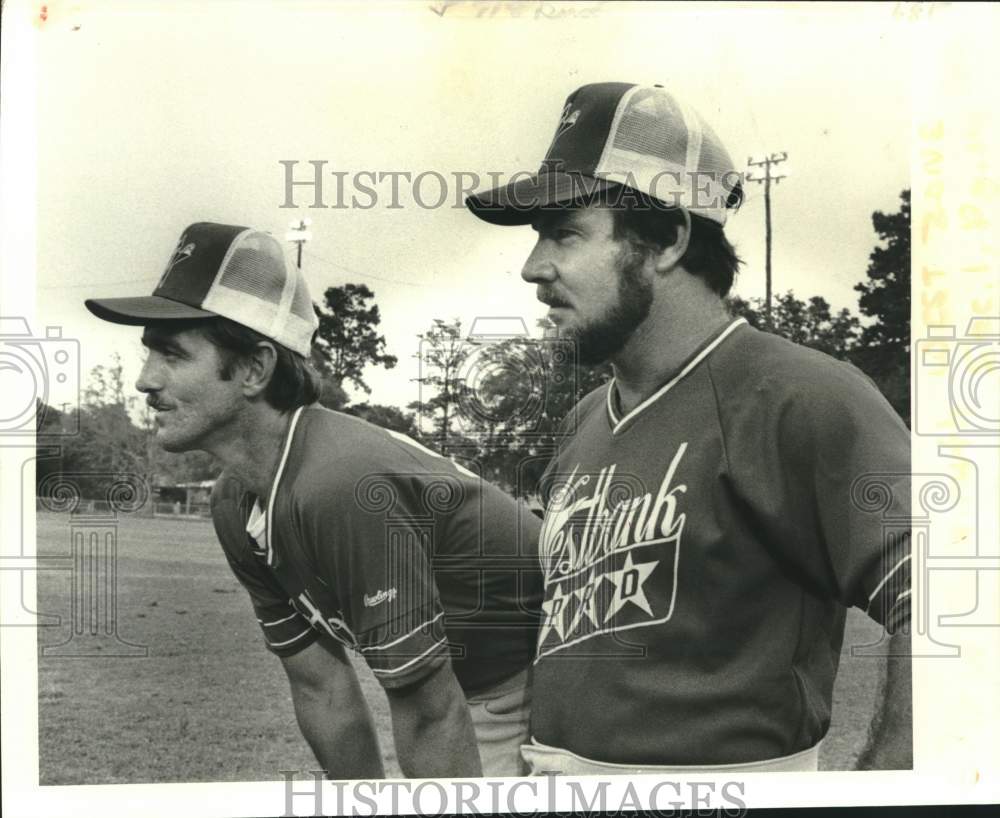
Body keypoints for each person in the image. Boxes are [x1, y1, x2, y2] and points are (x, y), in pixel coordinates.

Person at [465, 82, 912, 773]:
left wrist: (890, 788)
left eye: (566, 233)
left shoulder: (803, 397)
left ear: (667, 238)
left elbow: (955, 604)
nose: (532, 267)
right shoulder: (585, 419)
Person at [85, 222, 542, 778]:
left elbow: (429, 711)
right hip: (474, 691)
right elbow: (320, 685)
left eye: (173, 355)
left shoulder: (338, 483)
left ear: (254, 368)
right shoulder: (237, 500)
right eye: (149, 354)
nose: (144, 380)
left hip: (557, 676)